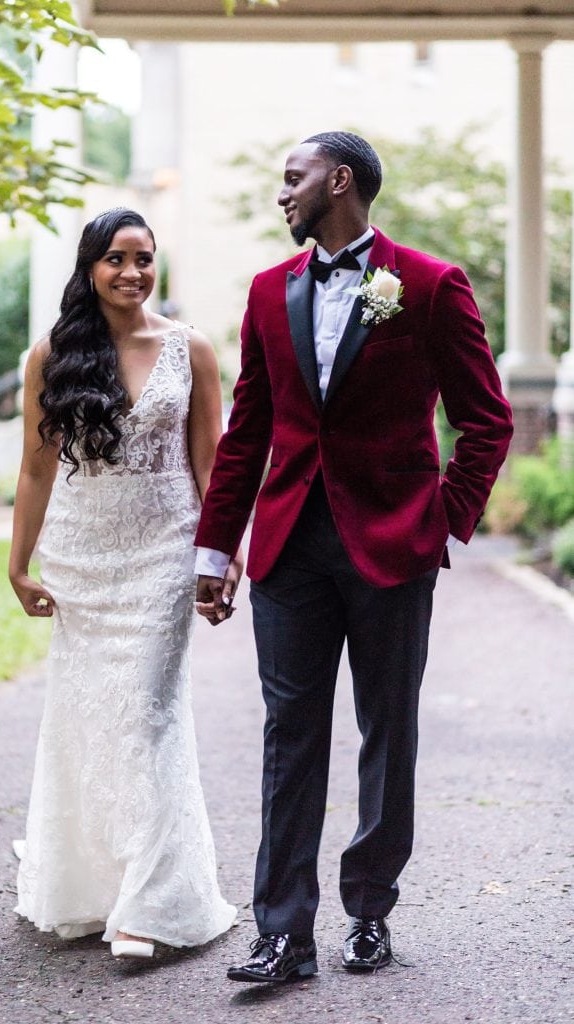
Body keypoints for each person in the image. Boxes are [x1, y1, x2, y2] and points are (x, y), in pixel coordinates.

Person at [194, 132, 513, 981]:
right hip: (289, 550)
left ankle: (368, 910)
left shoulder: (430, 285)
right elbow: (247, 431)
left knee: (387, 731)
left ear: (338, 181)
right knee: (287, 736)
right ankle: (282, 933)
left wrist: (442, 517)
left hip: (391, 544)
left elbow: (486, 420)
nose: (281, 195)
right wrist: (214, 546)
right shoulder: (269, 292)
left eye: (292, 179)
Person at [9, 207, 237, 959]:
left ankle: (150, 904)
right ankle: (90, 883)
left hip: (164, 554)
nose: (132, 272)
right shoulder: (50, 355)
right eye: (115, 258)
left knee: (147, 712)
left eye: (143, 257)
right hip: (83, 557)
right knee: (89, 718)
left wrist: (221, 552)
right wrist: (19, 562)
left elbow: (211, 462)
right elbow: (38, 466)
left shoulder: (190, 348)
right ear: (90, 267)